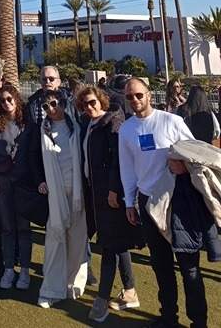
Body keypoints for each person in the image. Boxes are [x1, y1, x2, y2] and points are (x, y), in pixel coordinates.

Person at [119, 78, 195, 328]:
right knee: (161, 265)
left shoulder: (172, 121)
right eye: (129, 97)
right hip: (147, 201)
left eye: (138, 95)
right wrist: (129, 202)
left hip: (177, 199)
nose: (134, 100)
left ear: (149, 94)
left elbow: (195, 156)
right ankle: (168, 318)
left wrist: (183, 167)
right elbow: (127, 169)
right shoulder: (126, 129)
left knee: (189, 267)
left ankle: (198, 322)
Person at [76, 87, 144, 322]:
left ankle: (101, 299)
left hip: (111, 194)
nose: (89, 107)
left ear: (102, 101)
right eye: (85, 104)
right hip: (95, 193)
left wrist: (114, 190)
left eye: (92, 102)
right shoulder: (88, 124)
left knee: (109, 245)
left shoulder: (112, 123)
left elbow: (119, 160)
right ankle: (130, 290)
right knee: (117, 243)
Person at [149, 140, 221, 328]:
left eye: (174, 160)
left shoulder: (194, 180)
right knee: (165, 269)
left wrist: (187, 166)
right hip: (170, 222)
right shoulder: (172, 177)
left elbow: (202, 153)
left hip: (187, 227)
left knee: (190, 274)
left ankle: (199, 323)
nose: (170, 163)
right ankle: (169, 318)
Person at [30, 91, 88, 309]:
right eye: (45, 107)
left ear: (62, 103)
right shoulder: (42, 130)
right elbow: (33, 157)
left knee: (78, 240)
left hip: (78, 194)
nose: (51, 109)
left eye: (53, 104)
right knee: (55, 240)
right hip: (56, 193)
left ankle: (72, 284)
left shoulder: (77, 126)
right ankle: (50, 290)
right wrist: (39, 181)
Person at [0, 84, 32, 290]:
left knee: (23, 227)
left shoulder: (27, 122)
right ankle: (9, 268)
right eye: (2, 100)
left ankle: (25, 269)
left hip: (23, 181)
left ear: (16, 99)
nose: (6, 103)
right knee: (7, 227)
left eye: (9, 99)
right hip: (2, 180)